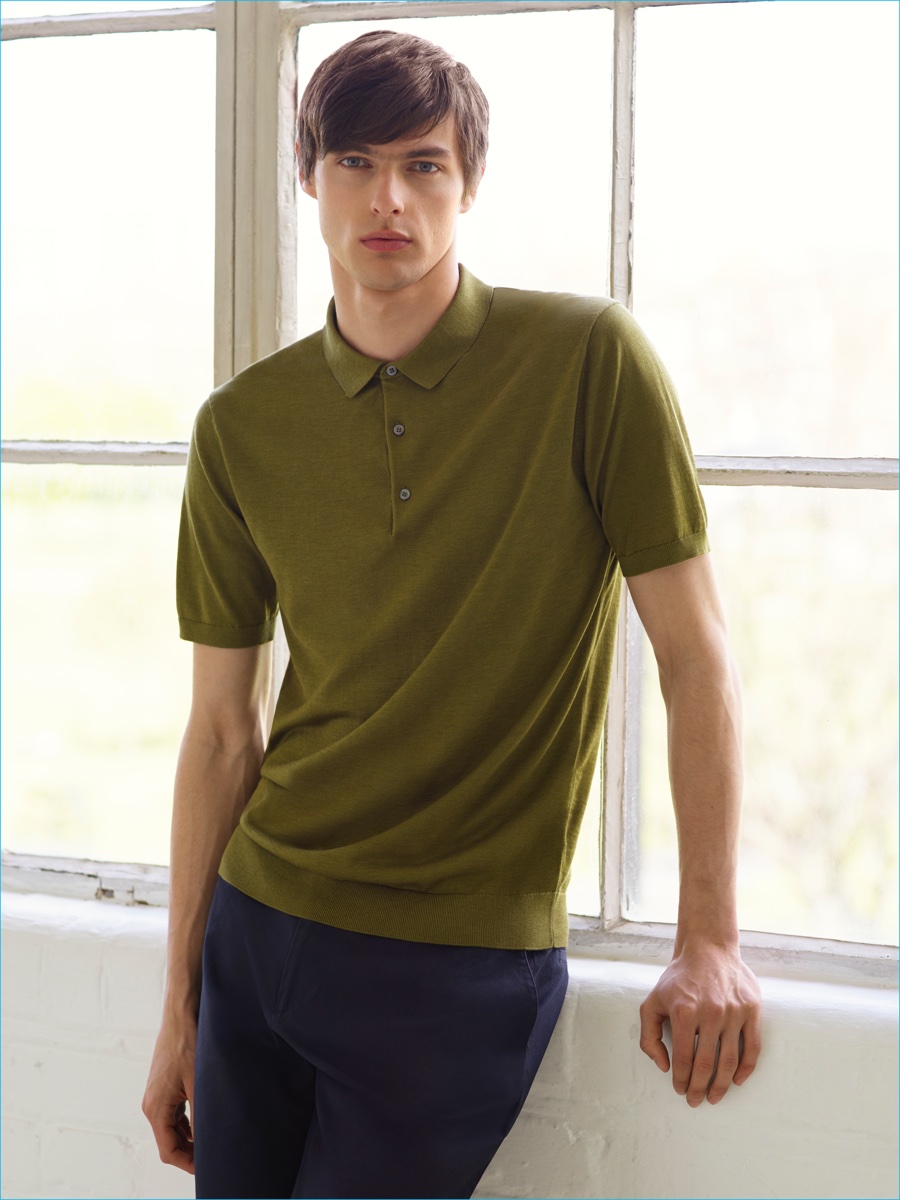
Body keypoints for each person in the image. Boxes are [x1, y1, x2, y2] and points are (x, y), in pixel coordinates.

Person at [142, 28, 762, 1200]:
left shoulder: (589, 362)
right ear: (307, 174)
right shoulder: (241, 426)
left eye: (423, 165)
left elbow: (697, 661)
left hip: (453, 964)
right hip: (257, 929)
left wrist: (710, 938)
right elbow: (221, 733)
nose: (389, 198)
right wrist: (179, 1003)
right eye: (356, 162)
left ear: (468, 184)